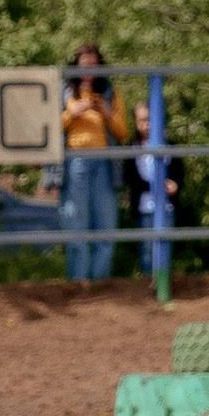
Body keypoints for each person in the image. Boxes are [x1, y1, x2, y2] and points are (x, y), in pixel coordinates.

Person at [60, 45, 134, 283]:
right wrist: (74, 113)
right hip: (75, 162)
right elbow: (49, 129)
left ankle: (100, 280)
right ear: (76, 66)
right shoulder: (64, 92)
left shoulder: (111, 93)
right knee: (76, 224)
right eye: (84, 65)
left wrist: (106, 112)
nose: (89, 70)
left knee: (106, 224)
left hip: (105, 163)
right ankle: (79, 281)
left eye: (94, 65)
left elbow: (123, 132)